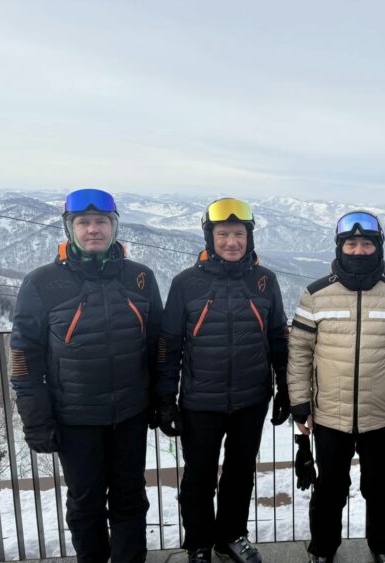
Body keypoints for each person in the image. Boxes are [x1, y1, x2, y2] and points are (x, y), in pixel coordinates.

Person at [10, 188, 163, 563]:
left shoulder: (140, 278)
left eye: (101, 222)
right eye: (83, 222)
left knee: (130, 497)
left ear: (114, 226)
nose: (93, 229)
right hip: (75, 418)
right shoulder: (41, 282)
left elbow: (158, 346)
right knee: (85, 502)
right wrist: (36, 419)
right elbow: (24, 357)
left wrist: (161, 399)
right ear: (70, 228)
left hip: (130, 414)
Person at [155, 197, 289, 563]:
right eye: (223, 234)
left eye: (239, 234)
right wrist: (165, 397)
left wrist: (285, 389)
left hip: (252, 399)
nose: (232, 242)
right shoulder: (186, 283)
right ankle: (198, 542)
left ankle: (231, 536)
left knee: (240, 473)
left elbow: (278, 337)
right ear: (210, 238)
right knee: (199, 476)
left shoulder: (265, 281)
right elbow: (169, 344)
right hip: (201, 401)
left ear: (250, 237)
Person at [288, 210, 385, 563]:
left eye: (367, 244)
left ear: (378, 247)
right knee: (329, 489)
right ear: (340, 247)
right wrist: (300, 403)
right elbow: (300, 353)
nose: (359, 250)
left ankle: (383, 547)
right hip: (329, 415)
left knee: (380, 489)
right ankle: (323, 549)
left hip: (380, 415)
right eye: (351, 243)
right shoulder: (315, 295)